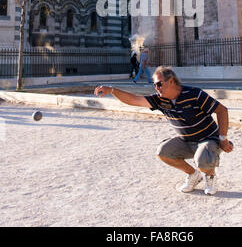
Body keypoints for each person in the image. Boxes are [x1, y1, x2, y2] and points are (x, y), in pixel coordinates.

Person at [94, 66, 233, 195]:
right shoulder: (160, 100)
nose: (156, 88)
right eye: (154, 85)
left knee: (203, 159)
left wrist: (223, 139)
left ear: (171, 81)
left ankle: (210, 177)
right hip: (187, 140)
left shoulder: (194, 94)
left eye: (159, 84)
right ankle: (193, 175)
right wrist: (112, 90)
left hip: (209, 140)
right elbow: (134, 100)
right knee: (163, 152)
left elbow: (222, 110)